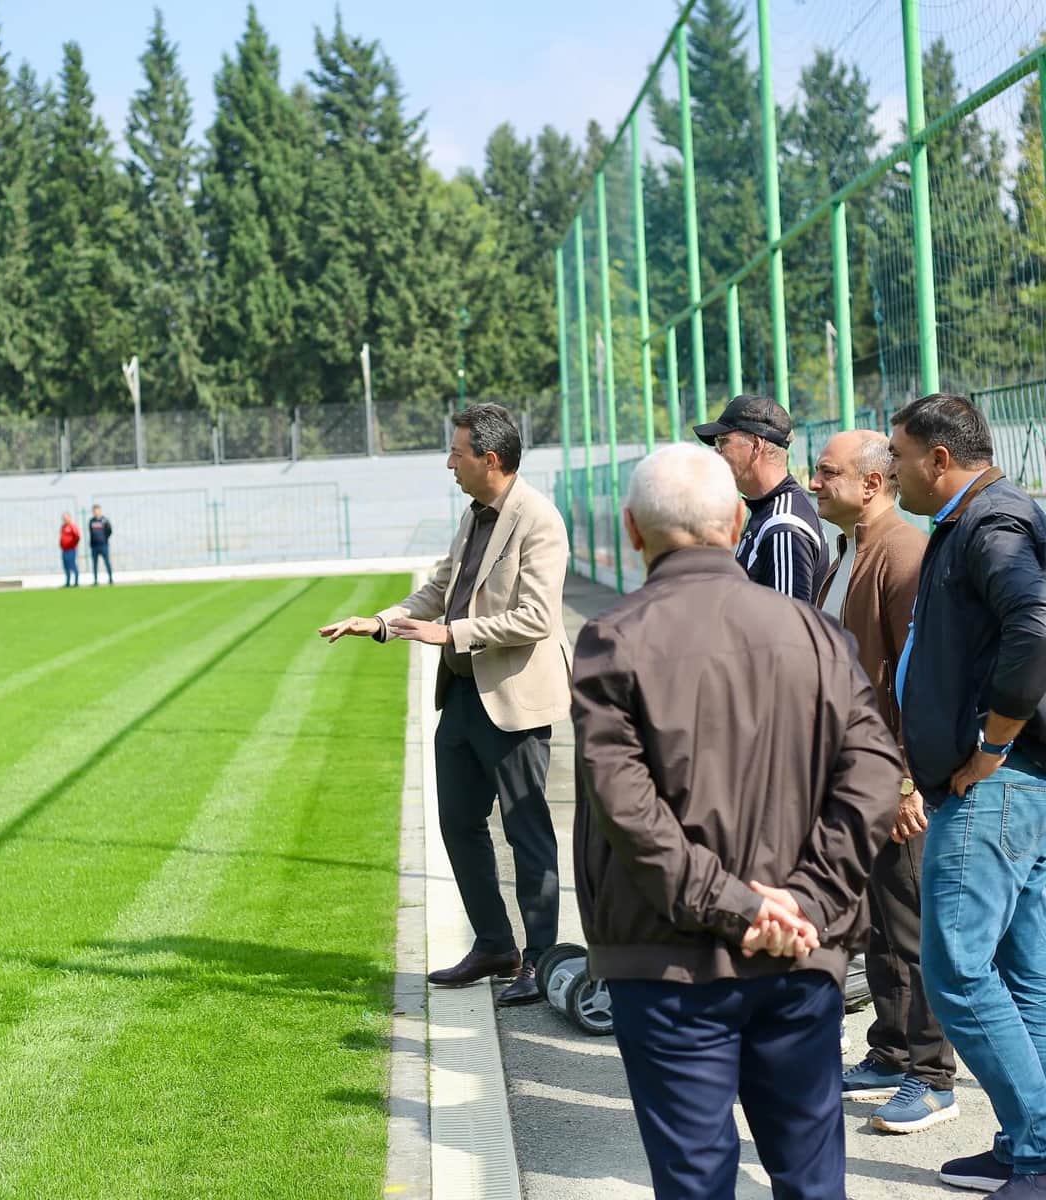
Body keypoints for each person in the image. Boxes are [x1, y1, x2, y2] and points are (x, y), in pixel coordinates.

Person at [571, 442, 902, 1200]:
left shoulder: (613, 639)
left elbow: (628, 810)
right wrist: (805, 902)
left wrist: (745, 906)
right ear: (733, 526)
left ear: (632, 529)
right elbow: (874, 774)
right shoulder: (815, 634)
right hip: (798, 951)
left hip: (670, 960)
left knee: (695, 1179)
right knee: (812, 1178)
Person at [319, 403, 570, 1005]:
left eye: (457, 453)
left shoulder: (539, 519)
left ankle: (541, 960)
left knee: (526, 830)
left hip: (512, 698)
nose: (449, 463)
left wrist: (450, 634)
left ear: (490, 459)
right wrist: (381, 622)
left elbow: (536, 618)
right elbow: (440, 587)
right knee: (458, 821)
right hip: (461, 694)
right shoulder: (473, 514)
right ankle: (496, 945)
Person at [890, 394, 1046, 1196]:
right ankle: (1027, 1142)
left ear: (940, 458)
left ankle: (1039, 1149)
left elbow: (1035, 626)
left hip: (995, 789)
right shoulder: (974, 520)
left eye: (898, 457)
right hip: (1011, 789)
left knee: (955, 969)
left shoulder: (992, 521)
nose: (893, 472)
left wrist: (992, 743)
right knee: (1023, 975)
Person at [811, 430, 957, 1134]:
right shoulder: (847, 550)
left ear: (872, 483)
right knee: (881, 924)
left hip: (891, 778)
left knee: (913, 923)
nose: (814, 483)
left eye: (827, 472)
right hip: (853, 774)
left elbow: (917, 678)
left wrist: (904, 781)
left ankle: (932, 1076)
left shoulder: (902, 554)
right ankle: (892, 1053)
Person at [694, 393, 830, 601]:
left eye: (722, 441)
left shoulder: (783, 526)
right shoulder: (768, 510)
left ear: (756, 445)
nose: (717, 452)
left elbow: (786, 619)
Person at [89, 505, 113, 585]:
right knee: (95, 564)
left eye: (97, 511)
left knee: (107, 562)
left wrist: (104, 539)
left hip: (103, 545)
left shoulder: (105, 520)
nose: (95, 512)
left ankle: (110, 578)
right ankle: (95, 580)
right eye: (94, 511)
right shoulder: (91, 521)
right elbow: (90, 532)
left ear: (100, 511)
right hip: (94, 546)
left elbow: (109, 531)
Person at [59, 512, 81, 588]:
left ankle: (76, 582)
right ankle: (68, 583)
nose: (64, 519)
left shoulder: (72, 526)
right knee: (66, 566)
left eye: (66, 518)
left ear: (69, 518)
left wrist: (73, 545)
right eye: (63, 518)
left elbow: (77, 537)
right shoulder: (63, 527)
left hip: (71, 550)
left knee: (72, 565)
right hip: (64, 550)